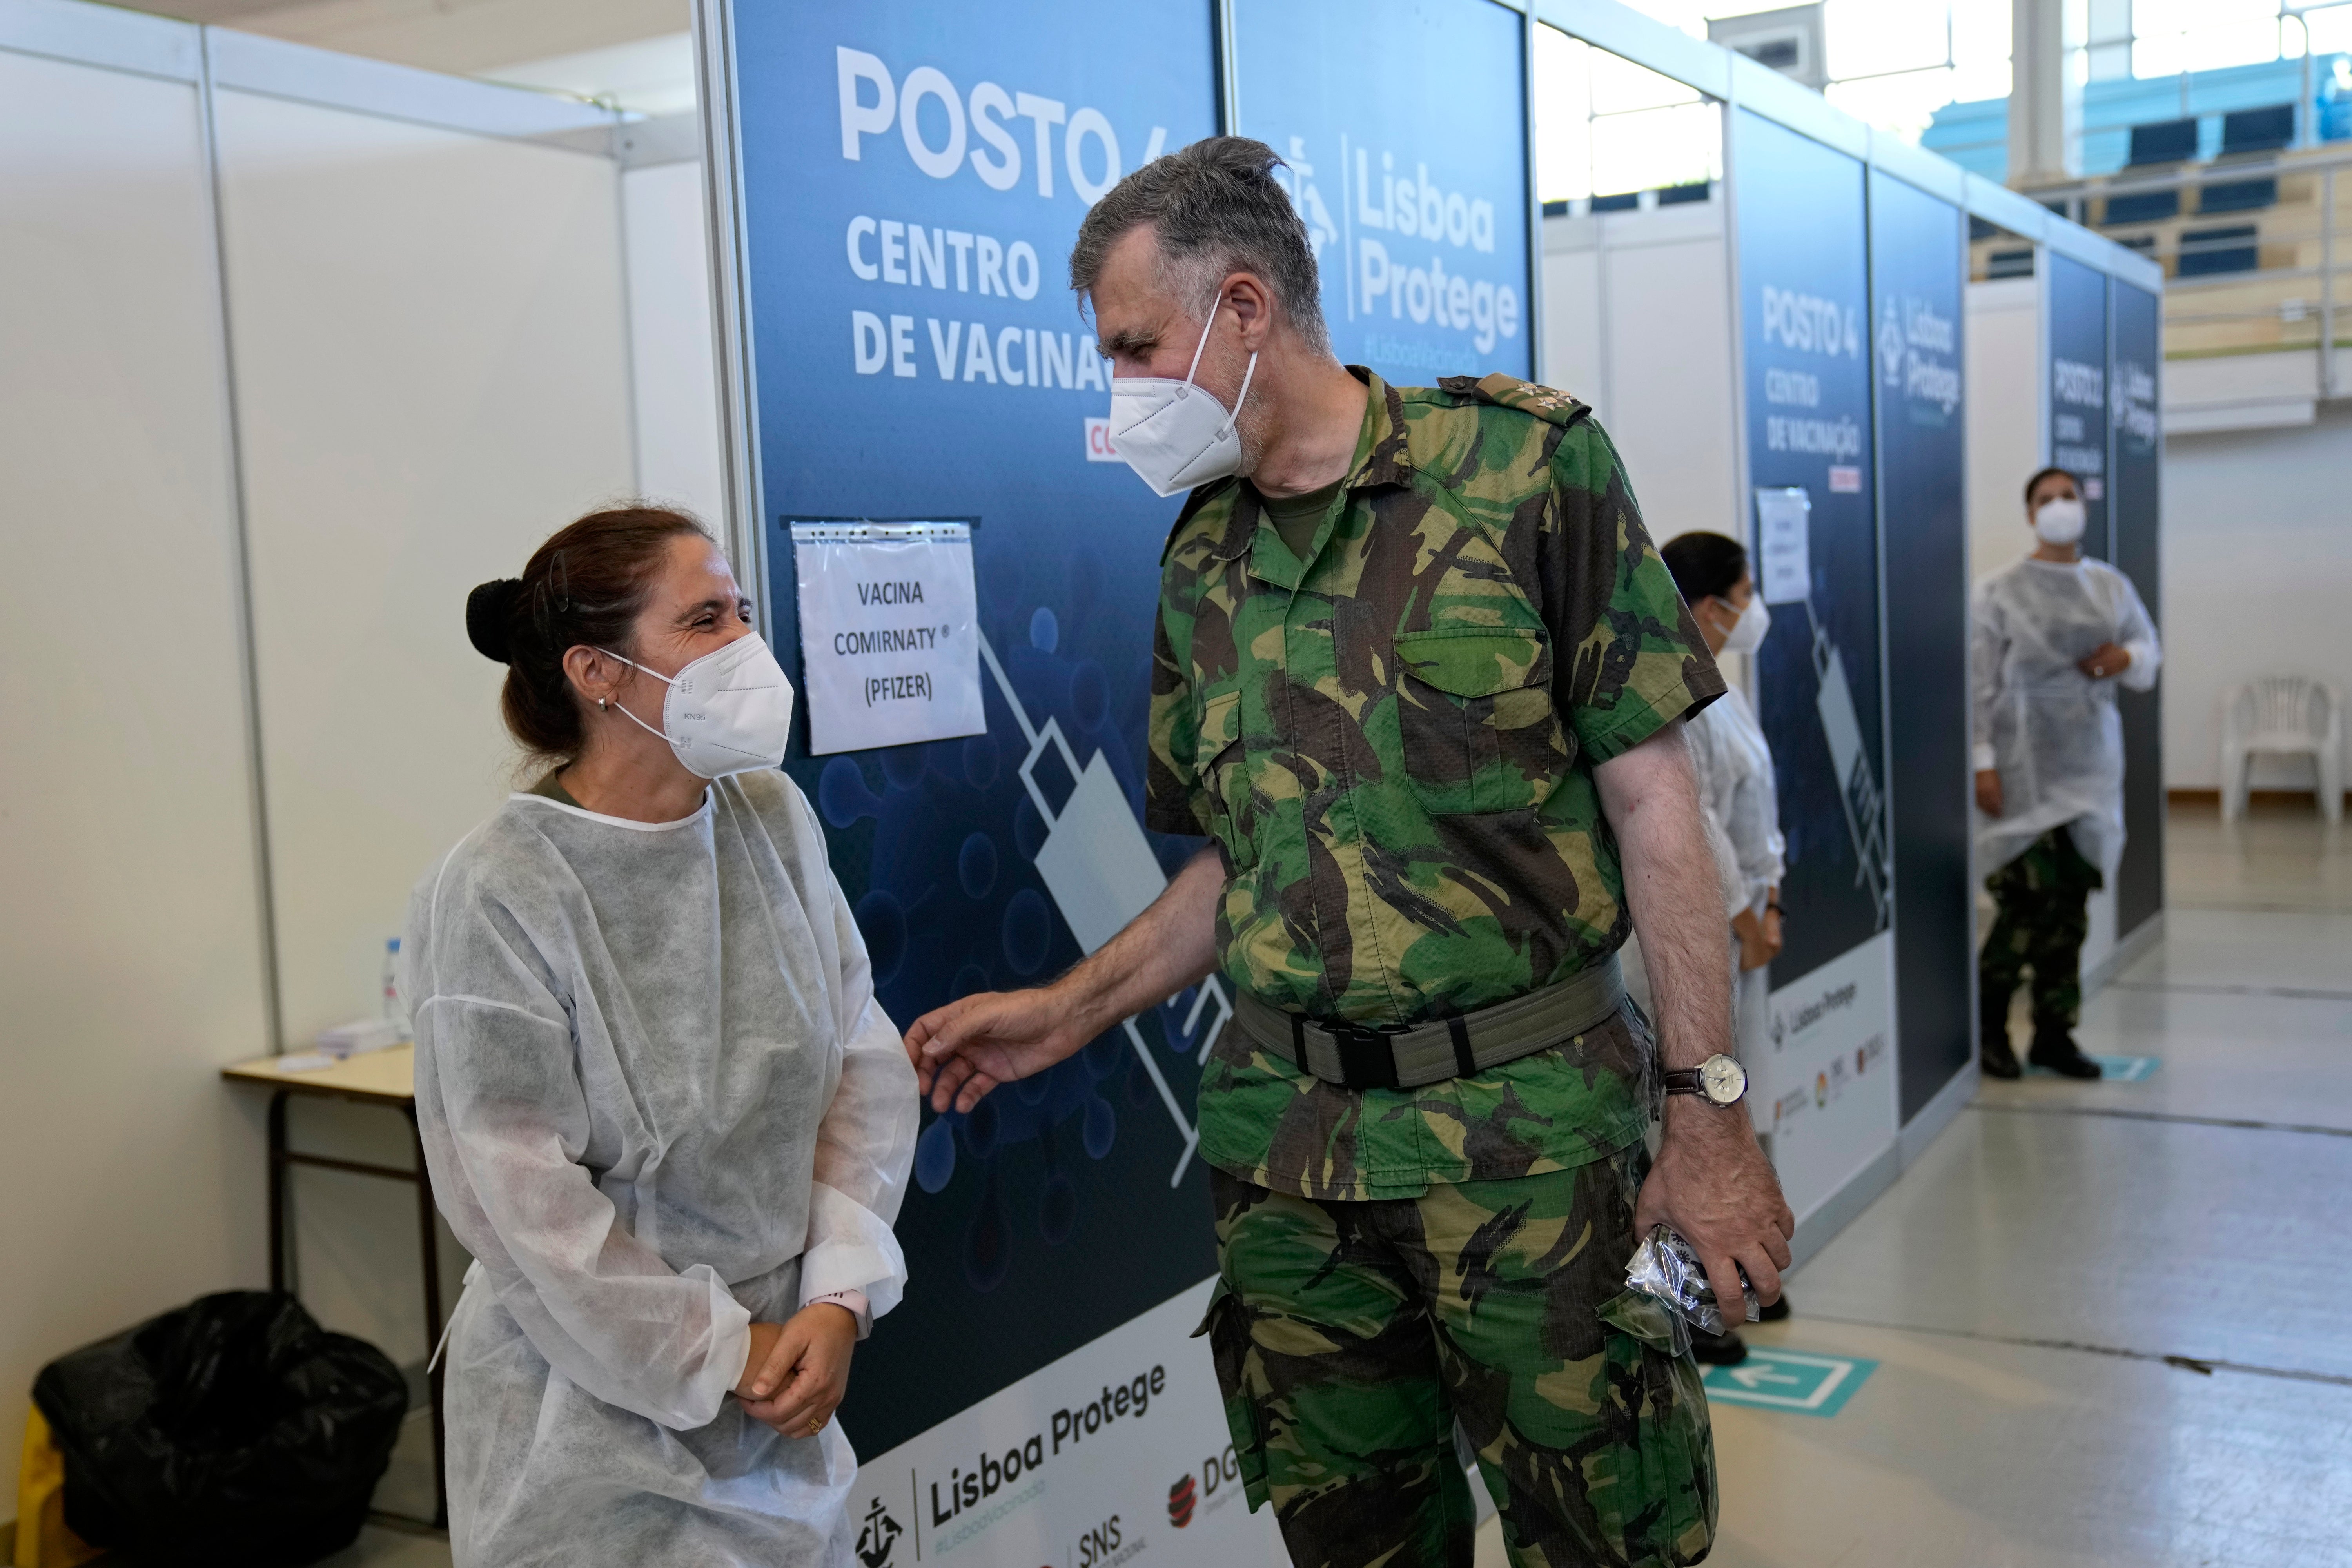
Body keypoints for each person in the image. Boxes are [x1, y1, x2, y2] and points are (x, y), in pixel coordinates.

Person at [906, 138, 1791, 1568]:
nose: (1120, 389)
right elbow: (1233, 871)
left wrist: (1709, 1117)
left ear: (1245, 309)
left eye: (1136, 347)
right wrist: (1060, 1015)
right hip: (1288, 1162)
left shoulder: (1523, 470)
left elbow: (1656, 808)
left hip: (1532, 1152)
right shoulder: (1202, 560)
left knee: (1610, 1542)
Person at [405, 507, 918, 1566]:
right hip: (589, 1421)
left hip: (784, 1393)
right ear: (598, 672)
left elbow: (856, 1060)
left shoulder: (769, 819)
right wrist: (724, 1350)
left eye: (740, 611)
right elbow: (522, 1200)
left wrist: (836, 1292)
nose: (745, 643)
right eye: (704, 620)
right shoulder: (502, 887)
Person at [1971, 467, 2161, 1080]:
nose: (2059, 508)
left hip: (2087, 769)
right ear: (2030, 514)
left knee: (2070, 912)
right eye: (2046, 499)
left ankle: (2055, 1034)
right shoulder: (1997, 591)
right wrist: (1984, 765)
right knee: (2020, 910)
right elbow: (1979, 685)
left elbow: (2146, 650)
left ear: (2084, 507)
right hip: (2022, 768)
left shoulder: (2107, 585)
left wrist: (2125, 657)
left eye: (2068, 497)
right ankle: (1991, 1031)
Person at [1660, 530, 1792, 1364]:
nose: (1756, 607)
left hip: (1747, 924)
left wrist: (1770, 899)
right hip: (1705, 937)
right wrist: (1747, 919)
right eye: (1748, 589)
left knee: (1739, 1110)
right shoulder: (1674, 692)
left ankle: (1738, 1275)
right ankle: (1687, 1303)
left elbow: (1753, 813)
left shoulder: (1722, 686)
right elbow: (1696, 831)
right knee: (1682, 1121)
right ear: (1714, 607)